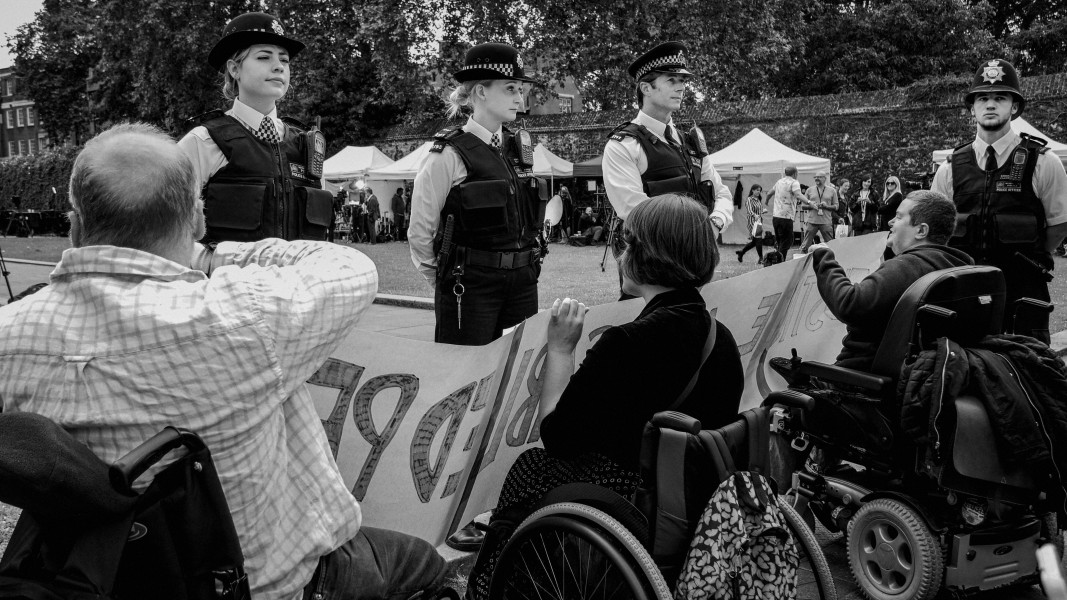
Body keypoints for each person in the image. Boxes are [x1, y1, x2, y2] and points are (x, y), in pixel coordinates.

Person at [0, 123, 447, 600]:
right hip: (267, 584)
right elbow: (351, 268)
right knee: (425, 564)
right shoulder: (240, 313)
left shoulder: (9, 333)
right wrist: (213, 256)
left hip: (99, 580)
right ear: (196, 220)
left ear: (75, 225)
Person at [464, 195, 744, 598]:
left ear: (646, 255)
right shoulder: (723, 339)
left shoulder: (627, 343)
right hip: (694, 504)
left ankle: (492, 587)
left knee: (530, 467)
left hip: (634, 504)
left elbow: (557, 437)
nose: (621, 254)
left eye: (627, 244)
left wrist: (561, 349)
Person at [408, 42, 546, 346]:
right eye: (510, 89)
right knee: (465, 369)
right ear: (481, 91)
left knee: (517, 367)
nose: (519, 98)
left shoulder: (517, 148)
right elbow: (420, 230)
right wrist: (443, 280)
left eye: (520, 89)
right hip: (470, 286)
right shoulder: (448, 154)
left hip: (523, 283)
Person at [931, 58, 1067, 344]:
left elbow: (1059, 225)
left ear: (1014, 107)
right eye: (982, 98)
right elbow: (935, 231)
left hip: (1023, 295)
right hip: (964, 294)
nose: (990, 104)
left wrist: (1027, 257)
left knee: (1028, 367)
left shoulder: (1043, 162)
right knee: (962, 366)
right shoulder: (949, 168)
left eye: (1000, 98)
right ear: (972, 108)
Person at [178, 12, 333, 244]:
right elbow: (166, 230)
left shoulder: (307, 147)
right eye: (264, 57)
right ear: (234, 69)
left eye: (284, 60)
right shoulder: (203, 142)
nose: (279, 67)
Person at [602, 41, 733, 297]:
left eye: (682, 80)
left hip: (697, 266)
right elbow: (635, 212)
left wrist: (714, 224)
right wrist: (696, 235)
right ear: (646, 88)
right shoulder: (624, 146)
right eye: (671, 80)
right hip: (651, 274)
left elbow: (722, 194)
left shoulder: (691, 143)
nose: (681, 87)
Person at [810, 190, 973, 371]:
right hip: (918, 376)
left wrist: (823, 258)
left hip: (859, 376)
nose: (890, 222)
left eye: (899, 217)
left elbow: (849, 304)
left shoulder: (908, 266)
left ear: (921, 231)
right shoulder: (961, 268)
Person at [770, 164, 807, 258]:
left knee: (780, 240)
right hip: (786, 217)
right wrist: (809, 202)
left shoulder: (779, 181)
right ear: (795, 173)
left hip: (776, 216)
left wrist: (766, 200)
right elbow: (798, 195)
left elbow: (770, 192)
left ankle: (776, 259)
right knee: (787, 241)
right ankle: (780, 261)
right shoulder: (794, 182)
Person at [800, 170, 838, 252]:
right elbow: (803, 206)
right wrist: (812, 206)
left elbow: (836, 206)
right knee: (805, 245)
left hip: (826, 221)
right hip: (812, 221)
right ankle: (803, 257)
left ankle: (831, 257)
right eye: (815, 177)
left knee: (830, 244)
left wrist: (826, 206)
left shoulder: (832, 191)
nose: (817, 178)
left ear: (825, 178)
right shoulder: (809, 190)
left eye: (819, 177)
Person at [736, 184, 766, 263]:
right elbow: (749, 211)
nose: (758, 192)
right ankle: (761, 258)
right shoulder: (749, 199)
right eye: (757, 190)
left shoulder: (758, 199)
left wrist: (763, 211)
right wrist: (754, 215)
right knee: (758, 240)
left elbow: (759, 210)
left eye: (760, 190)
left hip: (759, 222)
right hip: (752, 222)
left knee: (754, 242)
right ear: (752, 190)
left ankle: (741, 252)